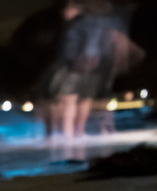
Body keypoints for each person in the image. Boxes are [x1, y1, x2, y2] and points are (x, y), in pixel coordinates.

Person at [49, 0, 117, 140]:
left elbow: (81, 45)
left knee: (69, 99)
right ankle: (79, 132)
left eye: (67, 9)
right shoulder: (94, 22)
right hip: (91, 65)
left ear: (76, 9)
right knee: (84, 99)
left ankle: (69, 133)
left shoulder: (80, 23)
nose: (64, 13)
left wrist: (82, 61)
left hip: (79, 65)